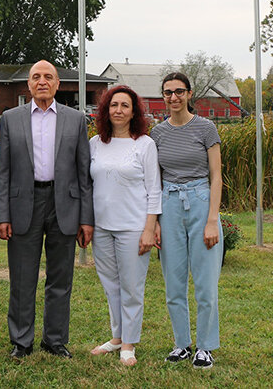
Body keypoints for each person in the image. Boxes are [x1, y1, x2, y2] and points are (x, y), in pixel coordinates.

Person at [0, 60, 93, 360]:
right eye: (36, 77)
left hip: (65, 204)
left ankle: (55, 340)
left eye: (48, 77)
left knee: (60, 278)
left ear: (58, 84)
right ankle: (21, 341)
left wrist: (86, 218)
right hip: (25, 203)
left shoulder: (76, 120)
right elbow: (3, 171)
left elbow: (83, 171)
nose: (42, 82)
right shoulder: (11, 118)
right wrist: (2, 215)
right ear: (29, 84)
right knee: (23, 277)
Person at [151, 72, 224, 370]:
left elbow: (216, 176)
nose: (174, 97)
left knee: (205, 284)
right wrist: (155, 221)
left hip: (200, 201)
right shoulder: (157, 134)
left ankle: (205, 347)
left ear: (190, 94)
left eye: (179, 91)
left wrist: (211, 220)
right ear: (164, 96)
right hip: (168, 205)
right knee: (174, 282)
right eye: (168, 92)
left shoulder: (206, 129)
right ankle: (181, 343)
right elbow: (154, 180)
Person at [88, 85, 161, 367]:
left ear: (134, 112)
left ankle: (129, 344)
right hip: (102, 226)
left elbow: (154, 189)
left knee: (132, 287)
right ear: (106, 110)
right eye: (113, 105)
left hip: (133, 227)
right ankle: (117, 336)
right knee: (111, 285)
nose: (118, 110)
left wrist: (149, 227)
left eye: (124, 106)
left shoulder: (144, 144)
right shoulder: (95, 143)